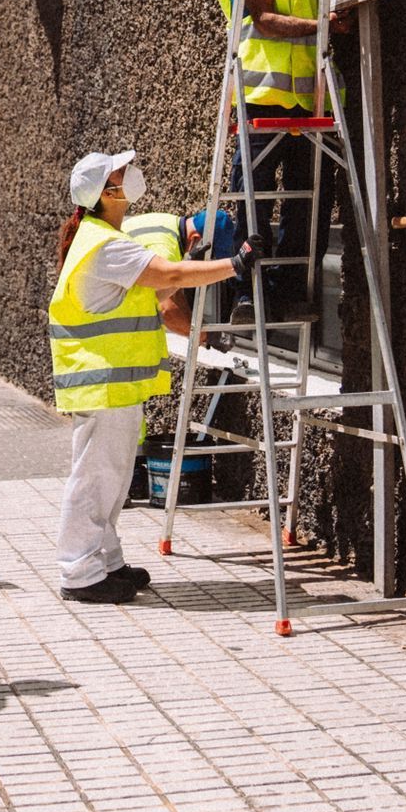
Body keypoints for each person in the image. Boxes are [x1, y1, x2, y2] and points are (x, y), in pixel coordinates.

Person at [50, 150, 253, 603]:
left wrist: (199, 260)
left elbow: (162, 287)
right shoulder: (104, 244)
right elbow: (170, 272)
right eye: (122, 174)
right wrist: (234, 264)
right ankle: (79, 574)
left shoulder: (100, 235)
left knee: (112, 479)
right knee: (96, 480)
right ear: (107, 193)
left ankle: (106, 563)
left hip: (111, 383)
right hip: (103, 382)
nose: (132, 177)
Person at [217, 0, 348, 322]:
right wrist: (324, 25)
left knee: (308, 204)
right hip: (262, 98)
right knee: (253, 200)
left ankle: (292, 291)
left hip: (314, 102)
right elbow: (264, 19)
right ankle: (248, 293)